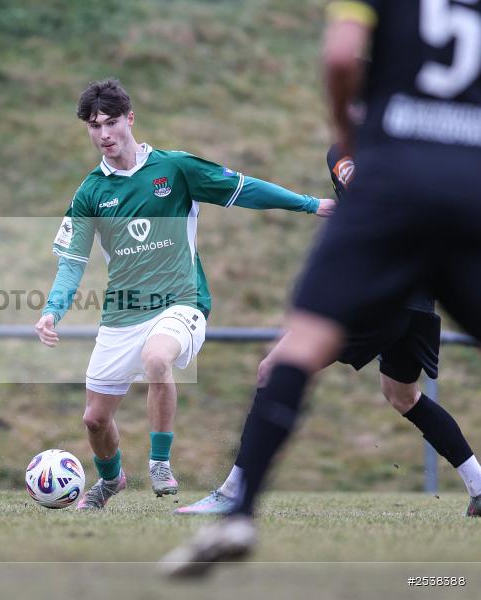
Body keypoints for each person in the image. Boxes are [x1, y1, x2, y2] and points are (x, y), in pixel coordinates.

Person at [161, 0, 481, 576]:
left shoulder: (352, 145)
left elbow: (338, 56)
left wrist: (347, 130)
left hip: (393, 255)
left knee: (281, 361)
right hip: (463, 201)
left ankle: (238, 503)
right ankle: (479, 485)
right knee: (402, 396)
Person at [34, 78, 335, 510]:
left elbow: (243, 189)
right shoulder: (91, 193)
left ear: (130, 119)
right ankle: (112, 480)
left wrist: (309, 204)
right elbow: (72, 262)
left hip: (181, 302)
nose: (104, 134)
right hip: (122, 313)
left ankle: (159, 462)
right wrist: (52, 310)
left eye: (112, 122)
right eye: (94, 125)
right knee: (95, 420)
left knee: (157, 358)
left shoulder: (174, 169)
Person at [176, 144, 481, 516]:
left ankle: (233, 494)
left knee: (272, 369)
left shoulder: (347, 151)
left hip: (382, 291)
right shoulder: (419, 151)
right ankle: (479, 486)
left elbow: (376, 204)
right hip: (419, 297)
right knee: (403, 395)